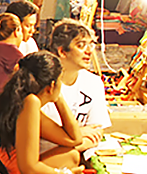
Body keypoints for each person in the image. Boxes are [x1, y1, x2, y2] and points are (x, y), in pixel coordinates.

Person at [43, 20, 110, 155]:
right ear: (62, 51)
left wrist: (70, 147)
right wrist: (78, 135)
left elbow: (97, 131)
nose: (89, 51)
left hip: (68, 157)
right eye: (81, 45)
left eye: (91, 45)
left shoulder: (94, 83)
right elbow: (36, 133)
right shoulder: (42, 83)